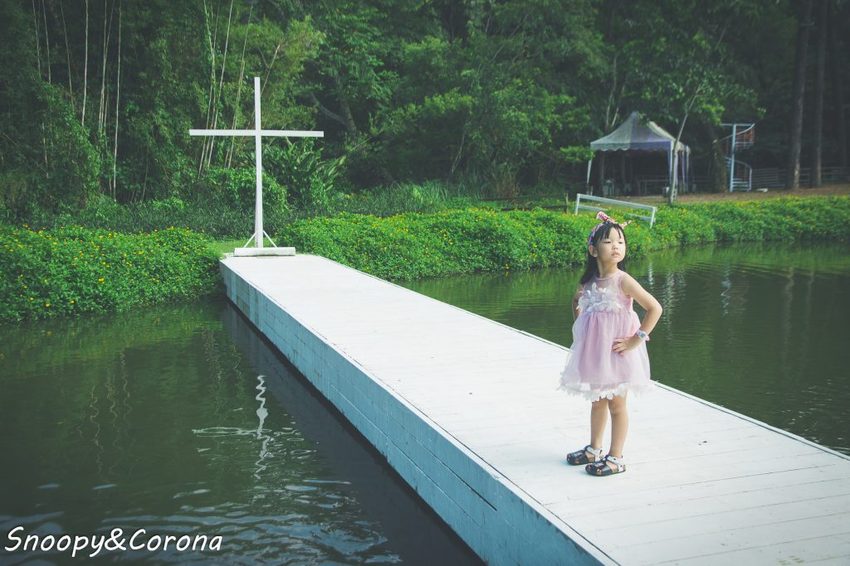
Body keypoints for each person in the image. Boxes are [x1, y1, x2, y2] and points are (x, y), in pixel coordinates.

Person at [560, 211, 662, 476]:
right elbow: (575, 302)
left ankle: (615, 457)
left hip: (619, 352)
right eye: (609, 241)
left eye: (621, 241)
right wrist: (581, 332)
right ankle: (594, 448)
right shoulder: (589, 282)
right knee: (597, 401)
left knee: (617, 404)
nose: (617, 246)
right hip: (597, 353)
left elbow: (655, 308)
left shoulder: (622, 280)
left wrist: (635, 340)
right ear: (593, 250)